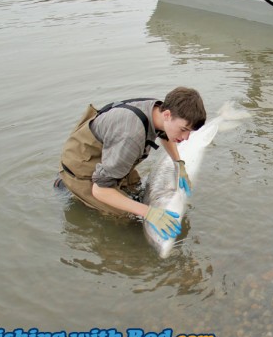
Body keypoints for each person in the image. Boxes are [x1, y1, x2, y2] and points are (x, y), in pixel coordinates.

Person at [55, 87, 207, 241]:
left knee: (136, 190)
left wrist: (178, 164)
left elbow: (165, 134)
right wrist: (149, 213)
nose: (186, 137)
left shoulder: (157, 111)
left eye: (190, 132)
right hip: (81, 165)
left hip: (109, 152)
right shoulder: (131, 136)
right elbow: (100, 190)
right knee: (126, 217)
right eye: (183, 130)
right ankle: (67, 185)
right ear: (167, 115)